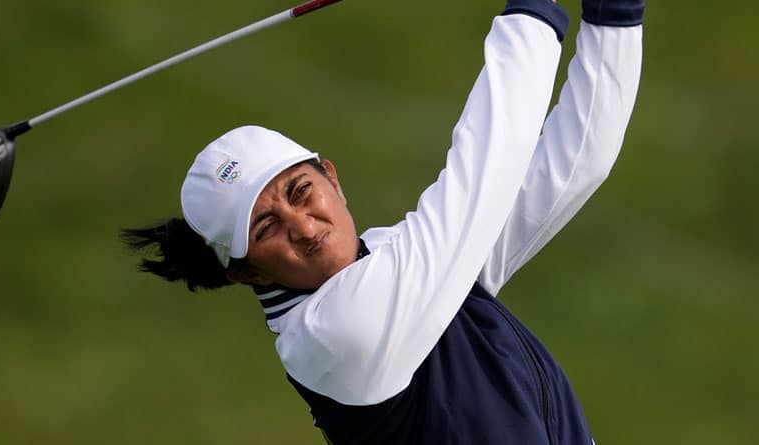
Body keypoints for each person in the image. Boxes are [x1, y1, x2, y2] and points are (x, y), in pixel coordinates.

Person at [122, 0, 644, 443]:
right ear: (248, 272)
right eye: (266, 229)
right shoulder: (336, 332)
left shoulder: (403, 265)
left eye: (301, 192)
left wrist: (612, 18)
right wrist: (531, 12)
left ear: (332, 178)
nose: (303, 227)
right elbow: (485, 164)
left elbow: (570, 165)